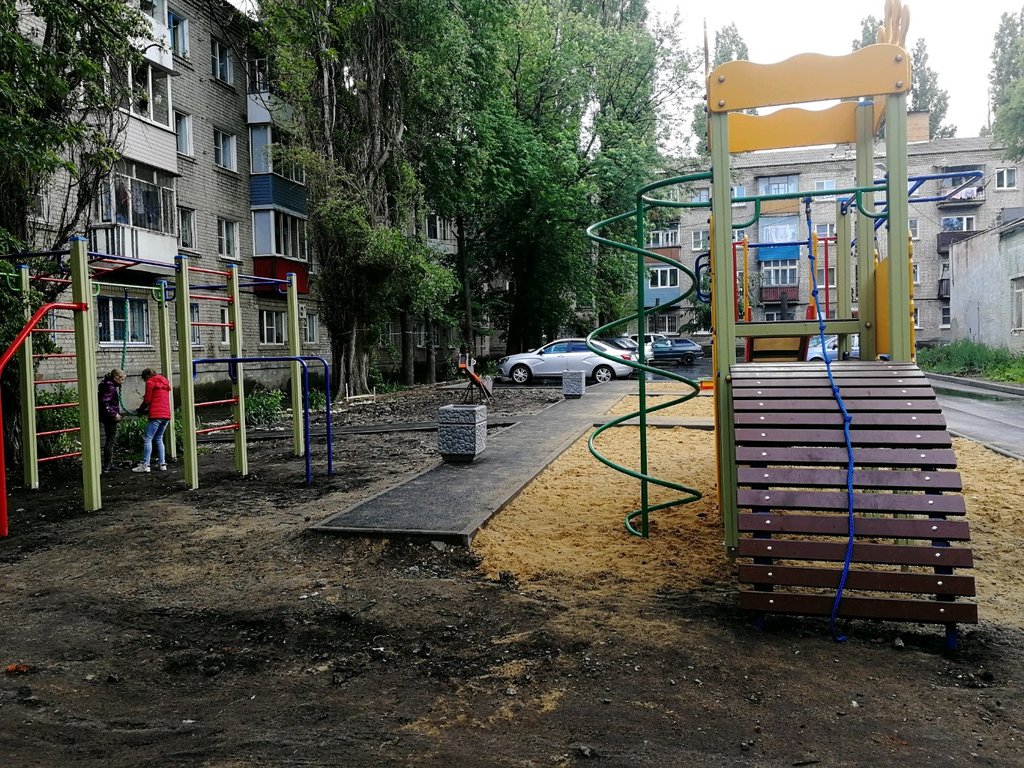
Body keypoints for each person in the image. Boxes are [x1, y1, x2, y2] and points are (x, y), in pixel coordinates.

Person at [133, 368, 172, 473]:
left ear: (146, 377)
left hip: (156, 415)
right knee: (159, 438)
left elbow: (147, 400)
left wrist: (140, 410)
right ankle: (162, 464)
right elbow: (159, 400)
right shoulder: (165, 381)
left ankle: (145, 465)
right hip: (166, 415)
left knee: (148, 438)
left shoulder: (150, 382)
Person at [98, 368, 126, 472]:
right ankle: (108, 465)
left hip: (106, 416)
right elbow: (105, 402)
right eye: (122, 379)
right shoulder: (110, 388)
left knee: (110, 440)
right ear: (116, 377)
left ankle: (108, 464)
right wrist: (114, 414)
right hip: (110, 418)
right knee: (110, 441)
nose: (122, 382)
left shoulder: (107, 385)